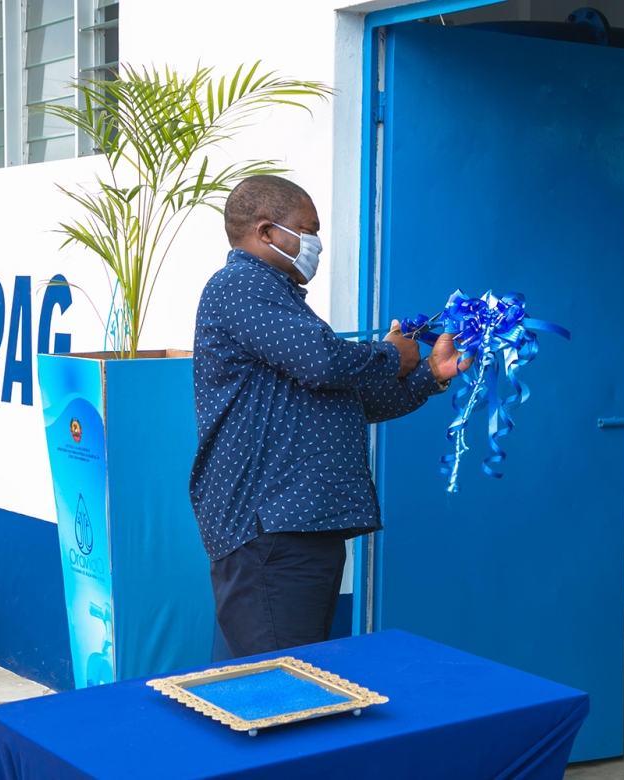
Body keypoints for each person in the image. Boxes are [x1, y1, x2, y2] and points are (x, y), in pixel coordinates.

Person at [189, 175, 471, 658]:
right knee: (280, 690)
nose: (317, 243)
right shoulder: (239, 286)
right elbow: (322, 360)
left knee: (265, 682)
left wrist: (429, 373)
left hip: (298, 528)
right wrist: (387, 353)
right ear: (265, 232)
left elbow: (354, 402)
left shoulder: (279, 302)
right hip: (270, 531)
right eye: (308, 228)